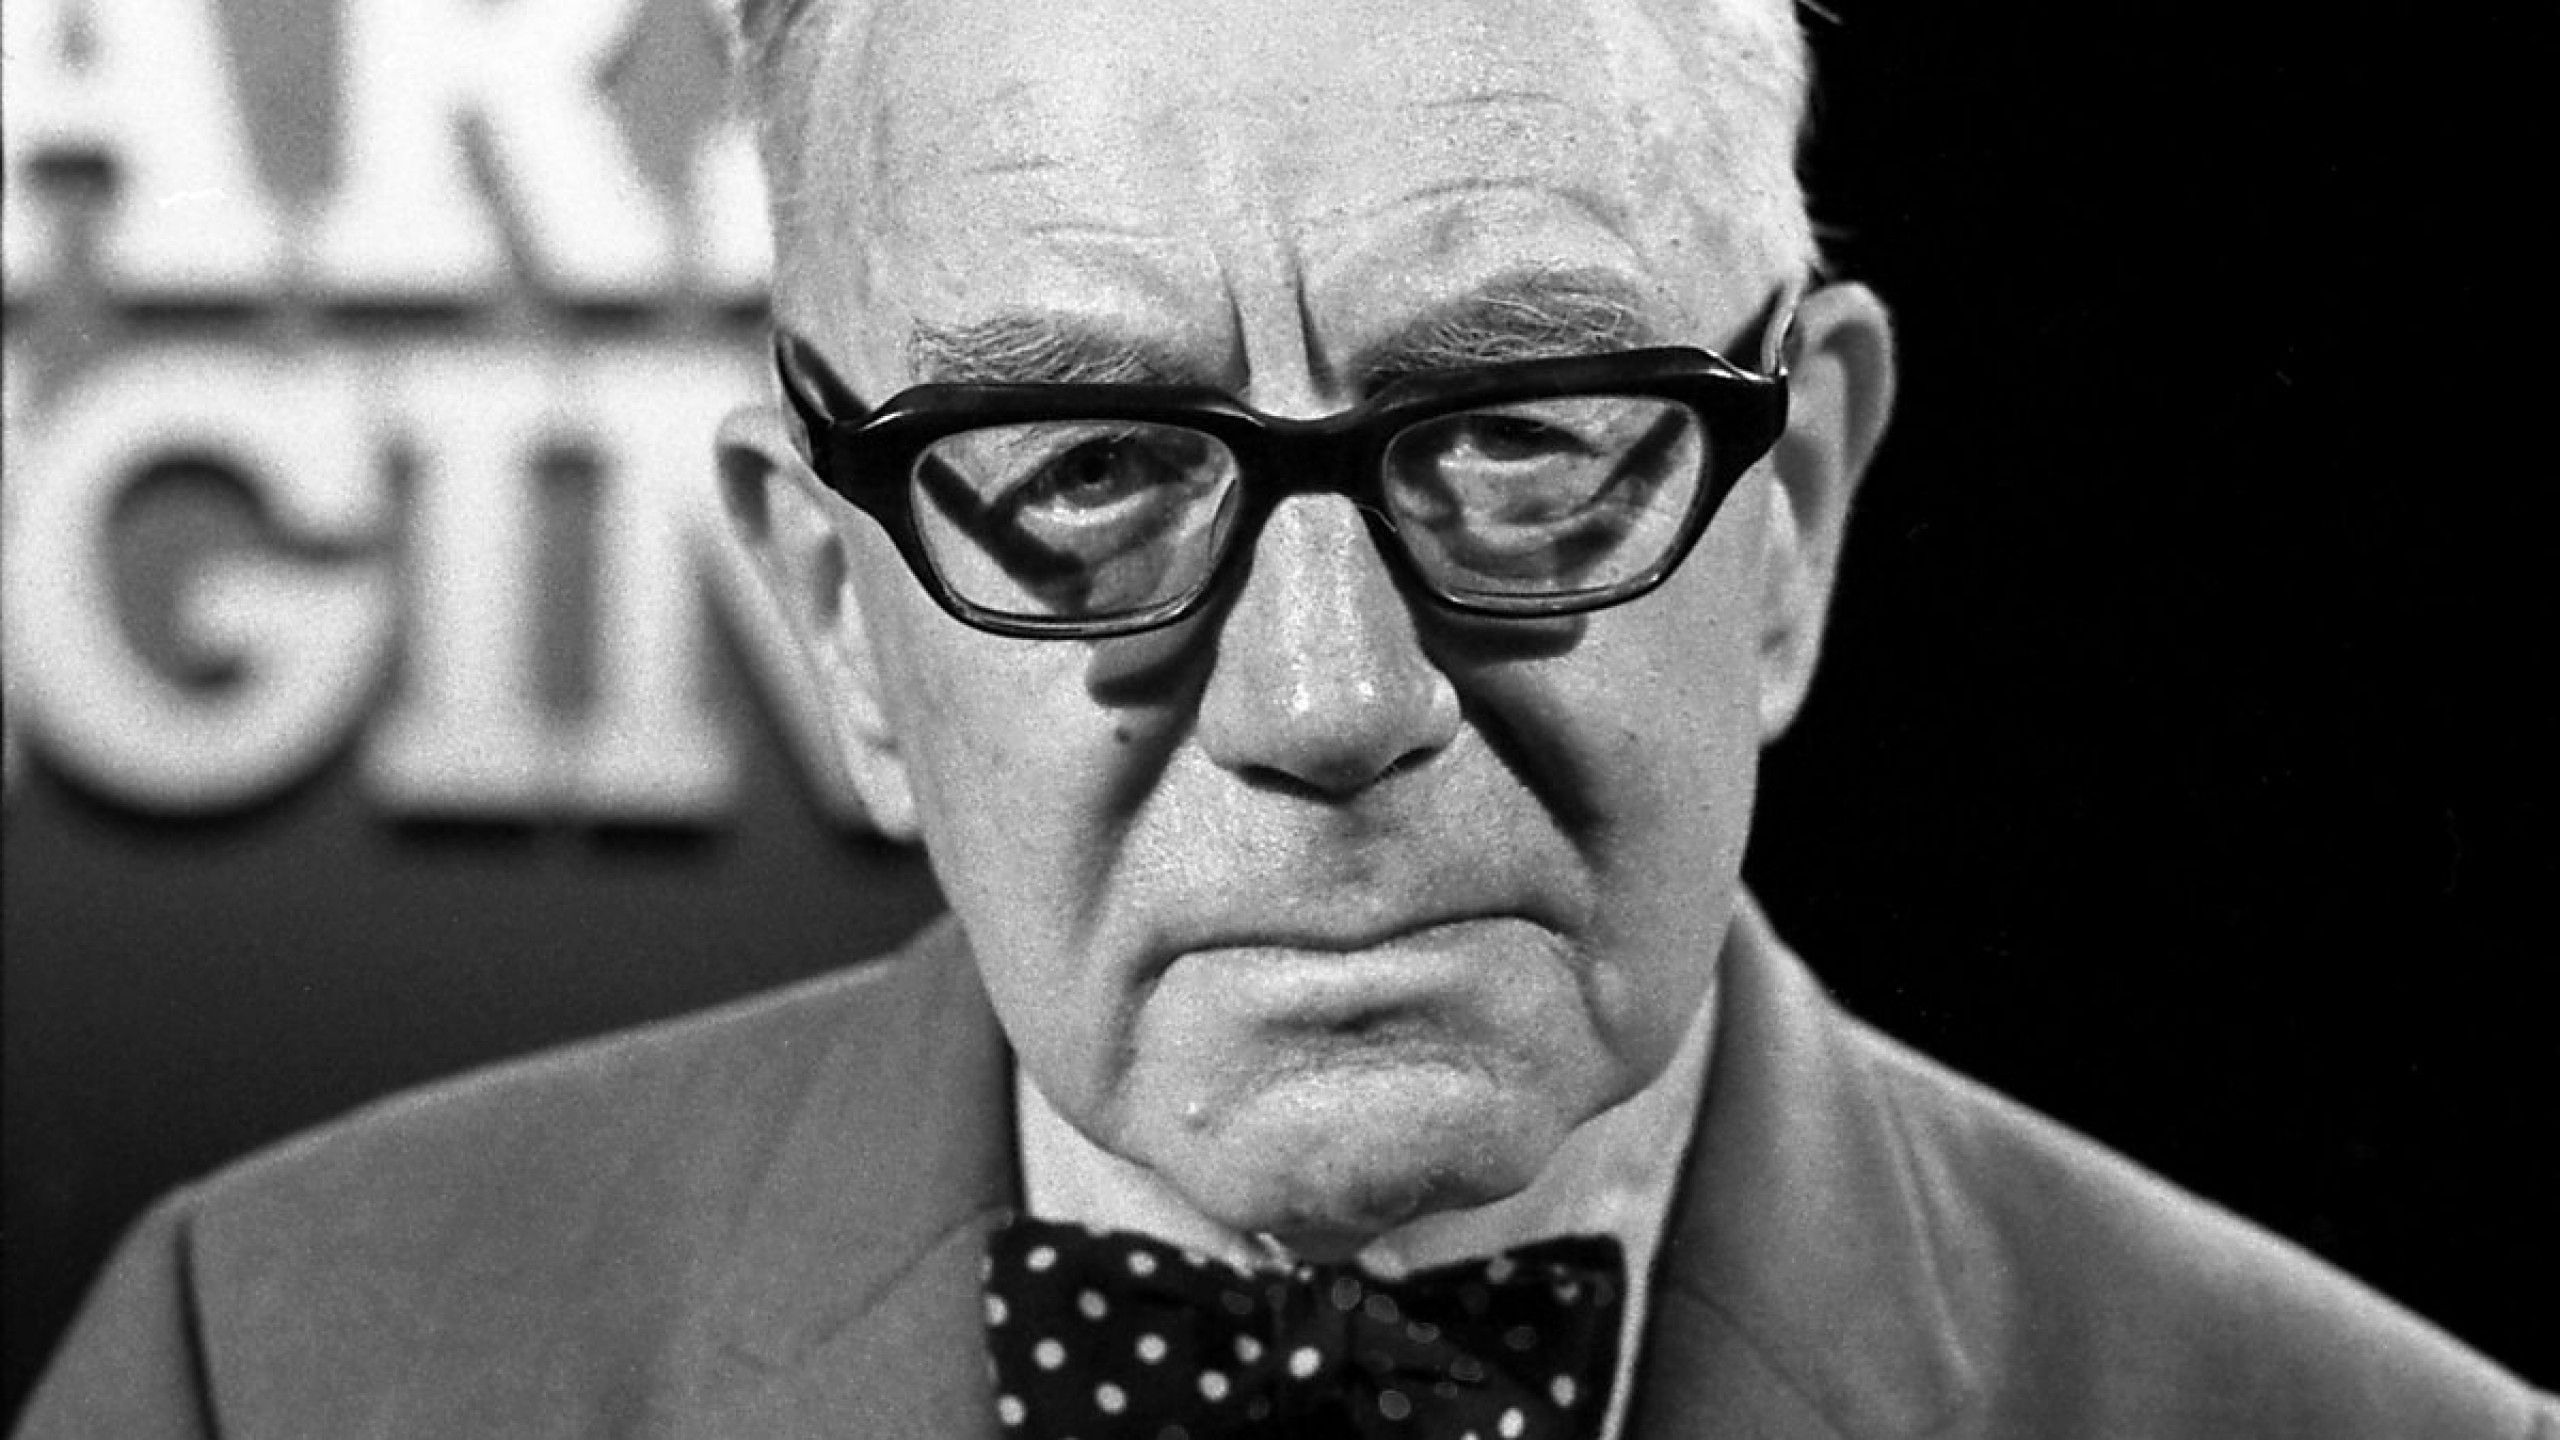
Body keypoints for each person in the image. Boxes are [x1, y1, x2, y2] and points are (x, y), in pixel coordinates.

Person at [16, 0, 2553, 1435]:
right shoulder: (265, 1368)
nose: (1331, 700)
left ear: (1790, 514)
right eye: (1084, 468)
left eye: (1518, 432)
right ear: (833, 610)